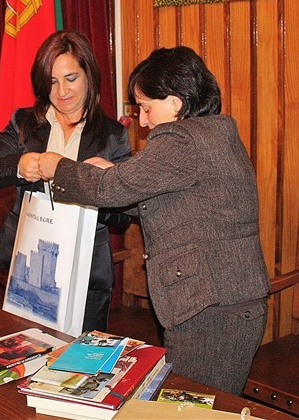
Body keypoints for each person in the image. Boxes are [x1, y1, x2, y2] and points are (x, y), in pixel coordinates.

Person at [38, 46, 270, 394]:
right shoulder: (212, 133)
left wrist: (58, 167)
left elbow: (112, 191)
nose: (143, 121)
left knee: (193, 411)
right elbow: (164, 198)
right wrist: (112, 174)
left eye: (146, 107)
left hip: (212, 312)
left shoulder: (181, 140)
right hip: (223, 304)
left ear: (175, 102)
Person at [0, 30, 131, 333]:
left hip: (87, 270)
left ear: (89, 76)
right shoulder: (25, 123)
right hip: (27, 265)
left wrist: (96, 184)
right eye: (52, 81)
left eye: (71, 78)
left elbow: (123, 216)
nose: (62, 91)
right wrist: (17, 166)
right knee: (27, 354)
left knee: (82, 368)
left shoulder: (112, 135)